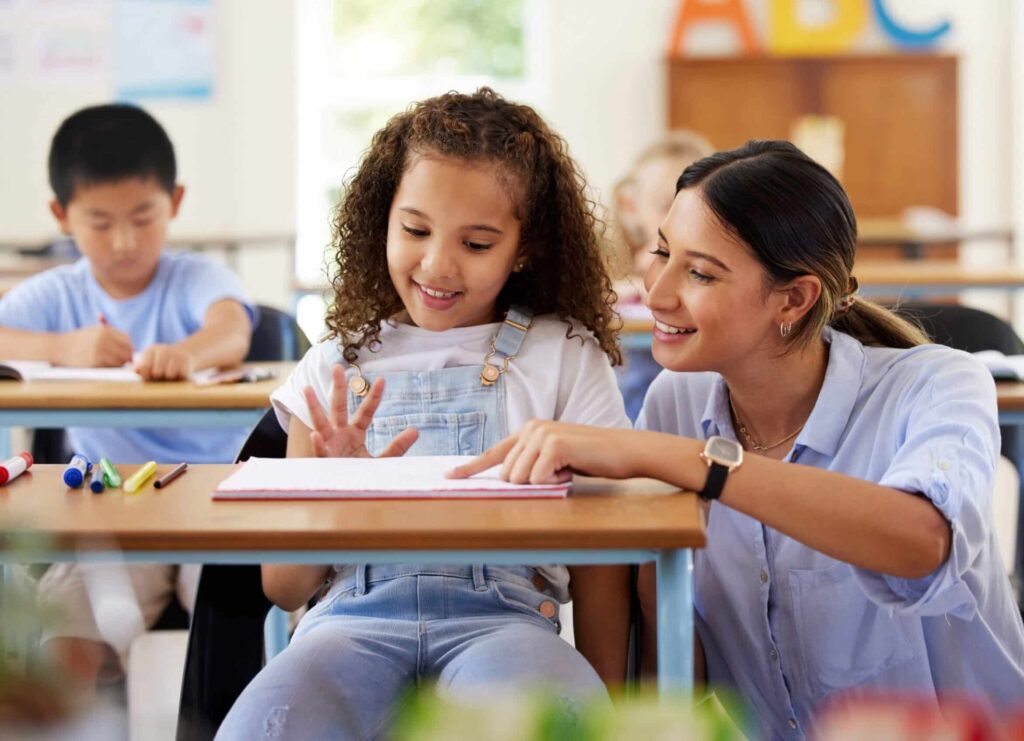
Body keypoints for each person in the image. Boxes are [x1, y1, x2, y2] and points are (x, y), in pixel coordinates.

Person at [452, 140, 1024, 738]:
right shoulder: (676, 402)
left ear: (794, 299)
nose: (659, 291)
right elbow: (680, 671)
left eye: (700, 272)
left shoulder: (937, 383)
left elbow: (922, 543)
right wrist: (654, 580)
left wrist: (685, 462)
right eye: (663, 252)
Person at [216, 88, 628, 740]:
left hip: (505, 623)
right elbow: (284, 588)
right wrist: (333, 494)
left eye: (478, 242)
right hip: (348, 626)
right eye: (414, 230)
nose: (437, 263)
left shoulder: (567, 356)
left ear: (525, 247)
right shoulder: (332, 365)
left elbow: (606, 561)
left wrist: (615, 708)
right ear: (382, 219)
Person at [0, 104, 256, 687]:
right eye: (99, 221)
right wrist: (62, 347)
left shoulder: (194, 277)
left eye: (143, 217)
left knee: (240, 627)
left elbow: (232, 328)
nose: (123, 240)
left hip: (213, 504)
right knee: (68, 645)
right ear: (61, 216)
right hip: (110, 509)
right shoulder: (55, 294)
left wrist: (187, 353)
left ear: (176, 202)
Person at [611, 131, 713, 421]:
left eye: (698, 207)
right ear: (631, 206)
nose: (680, 218)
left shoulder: (714, 265)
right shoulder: (620, 264)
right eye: (666, 205)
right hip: (625, 409)